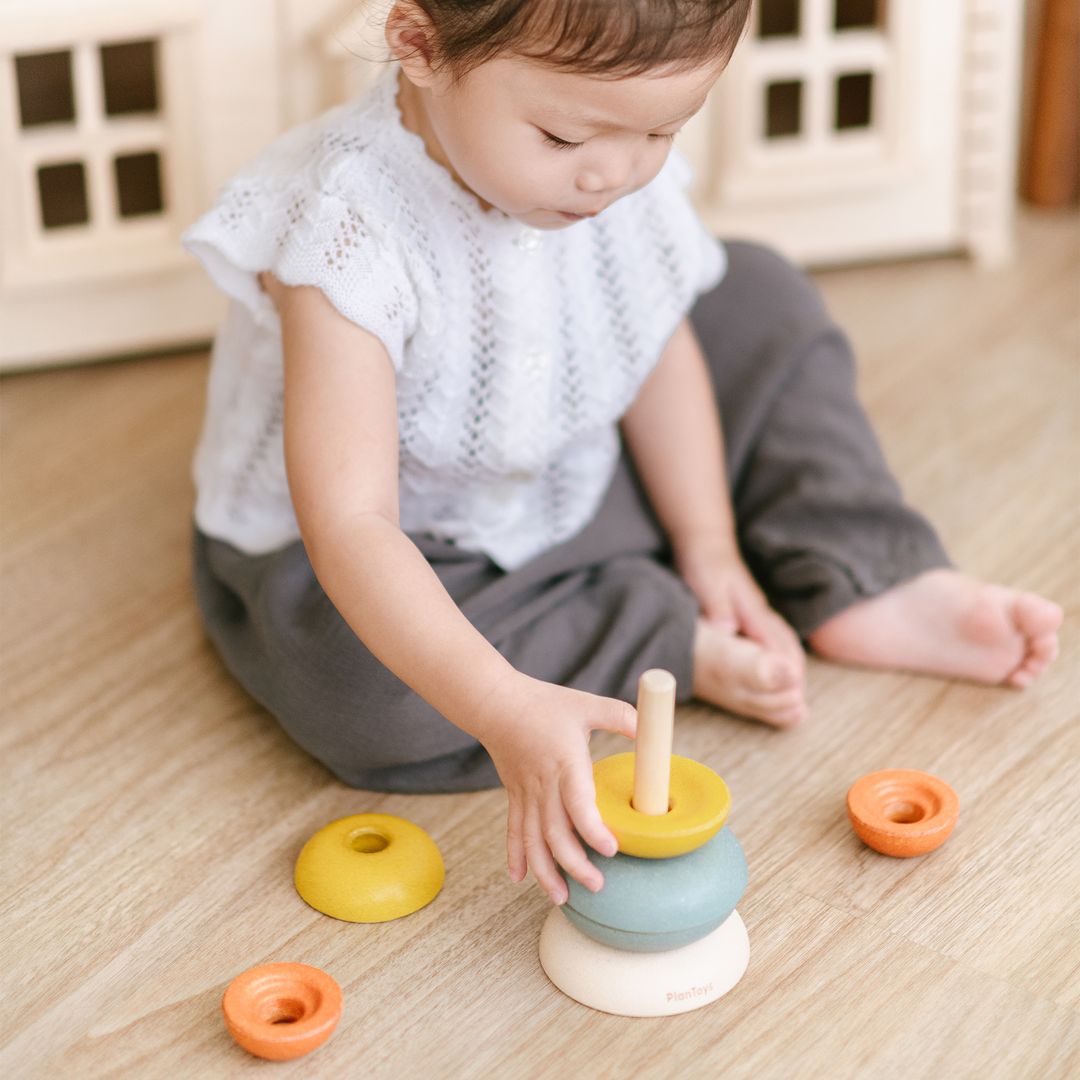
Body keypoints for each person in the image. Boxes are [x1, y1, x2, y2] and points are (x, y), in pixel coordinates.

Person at [184, 0, 1062, 906]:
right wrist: (499, 706)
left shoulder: (608, 163)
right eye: (563, 137)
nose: (613, 174)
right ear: (420, 46)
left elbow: (649, 346)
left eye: (662, 131)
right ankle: (664, 640)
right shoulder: (342, 230)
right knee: (361, 689)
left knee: (760, 293)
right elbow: (353, 525)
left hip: (577, 465)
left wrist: (707, 541)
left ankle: (863, 569)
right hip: (395, 551)